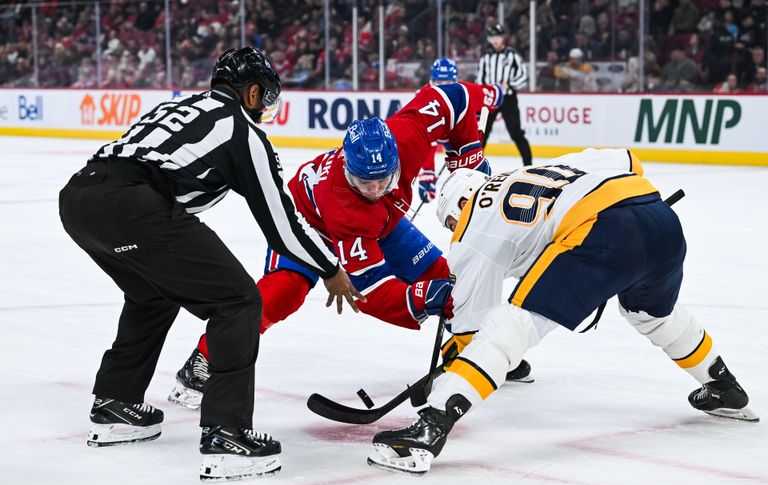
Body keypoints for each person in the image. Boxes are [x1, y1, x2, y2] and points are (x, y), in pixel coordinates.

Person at [59, 47, 363, 482]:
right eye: (266, 97)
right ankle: (227, 435)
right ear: (253, 92)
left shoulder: (179, 105)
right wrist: (330, 268)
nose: (266, 108)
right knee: (238, 303)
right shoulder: (243, 131)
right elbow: (282, 225)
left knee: (151, 293)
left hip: (78, 199)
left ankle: (116, 403)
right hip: (133, 205)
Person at [367, 148, 758, 475]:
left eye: (451, 220)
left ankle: (429, 428)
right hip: (658, 217)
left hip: (603, 231)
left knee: (513, 325)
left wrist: (455, 361)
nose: (454, 227)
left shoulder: (472, 226)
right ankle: (725, 387)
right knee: (653, 315)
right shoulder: (537, 170)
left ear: (457, 206)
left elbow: (476, 331)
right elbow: (628, 159)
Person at [168, 80, 531, 410]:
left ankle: (481, 348)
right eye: (363, 182)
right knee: (282, 294)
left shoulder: (408, 135)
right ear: (346, 170)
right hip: (306, 224)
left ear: (396, 161)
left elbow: (458, 97)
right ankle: (204, 359)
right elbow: (368, 291)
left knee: (445, 275)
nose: (374, 190)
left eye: (382, 180)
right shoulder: (345, 205)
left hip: (384, 223)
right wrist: (423, 299)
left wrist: (466, 153)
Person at [415, 57, 504, 205]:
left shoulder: (465, 92)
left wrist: (480, 109)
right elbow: (426, 140)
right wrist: (427, 173)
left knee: (474, 180)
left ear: (456, 80)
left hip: (460, 139)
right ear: (431, 81)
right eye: (439, 83)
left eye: (448, 83)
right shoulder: (423, 97)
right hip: (441, 134)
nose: (444, 88)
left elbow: (496, 95)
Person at [477, 24, 533, 167]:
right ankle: (475, 165)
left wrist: (510, 84)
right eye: (492, 37)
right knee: (482, 133)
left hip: (508, 99)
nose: (495, 40)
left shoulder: (513, 55)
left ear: (503, 38)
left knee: (516, 133)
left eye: (498, 37)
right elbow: (480, 79)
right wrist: (482, 95)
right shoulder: (486, 57)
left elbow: (523, 76)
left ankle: (529, 165)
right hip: (489, 100)